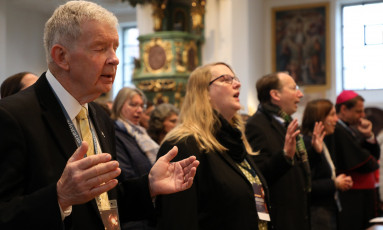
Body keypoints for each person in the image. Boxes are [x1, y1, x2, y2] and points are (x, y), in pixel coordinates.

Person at [0, 1, 199, 229]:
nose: (114, 58)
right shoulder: (12, 116)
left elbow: (105, 202)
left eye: (115, 47)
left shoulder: (99, 116)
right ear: (62, 56)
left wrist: (149, 185)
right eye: (100, 48)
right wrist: (58, 198)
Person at [155, 62, 300, 230]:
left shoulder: (233, 140)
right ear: (204, 92)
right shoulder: (184, 145)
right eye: (225, 80)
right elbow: (178, 219)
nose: (237, 84)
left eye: (235, 79)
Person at [245, 72, 312, 230]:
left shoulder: (284, 122)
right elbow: (258, 173)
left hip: (297, 214)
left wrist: (314, 152)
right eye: (294, 88)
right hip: (281, 217)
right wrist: (285, 156)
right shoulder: (256, 125)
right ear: (275, 94)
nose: (300, 94)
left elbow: (295, 169)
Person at [111, 87, 159, 230]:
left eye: (141, 106)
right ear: (119, 106)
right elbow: (125, 174)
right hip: (133, 216)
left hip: (147, 209)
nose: (139, 110)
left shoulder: (140, 133)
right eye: (133, 105)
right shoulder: (115, 133)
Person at [301, 99, 353, 230]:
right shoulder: (308, 143)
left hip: (326, 208)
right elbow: (305, 184)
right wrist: (334, 184)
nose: (336, 119)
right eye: (332, 114)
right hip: (317, 211)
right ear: (318, 118)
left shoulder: (321, 140)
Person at [333, 90, 380, 230]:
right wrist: (370, 160)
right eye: (358, 111)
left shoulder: (349, 129)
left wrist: (369, 136)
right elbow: (366, 163)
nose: (363, 115)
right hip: (352, 197)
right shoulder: (338, 130)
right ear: (343, 109)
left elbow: (373, 157)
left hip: (361, 194)